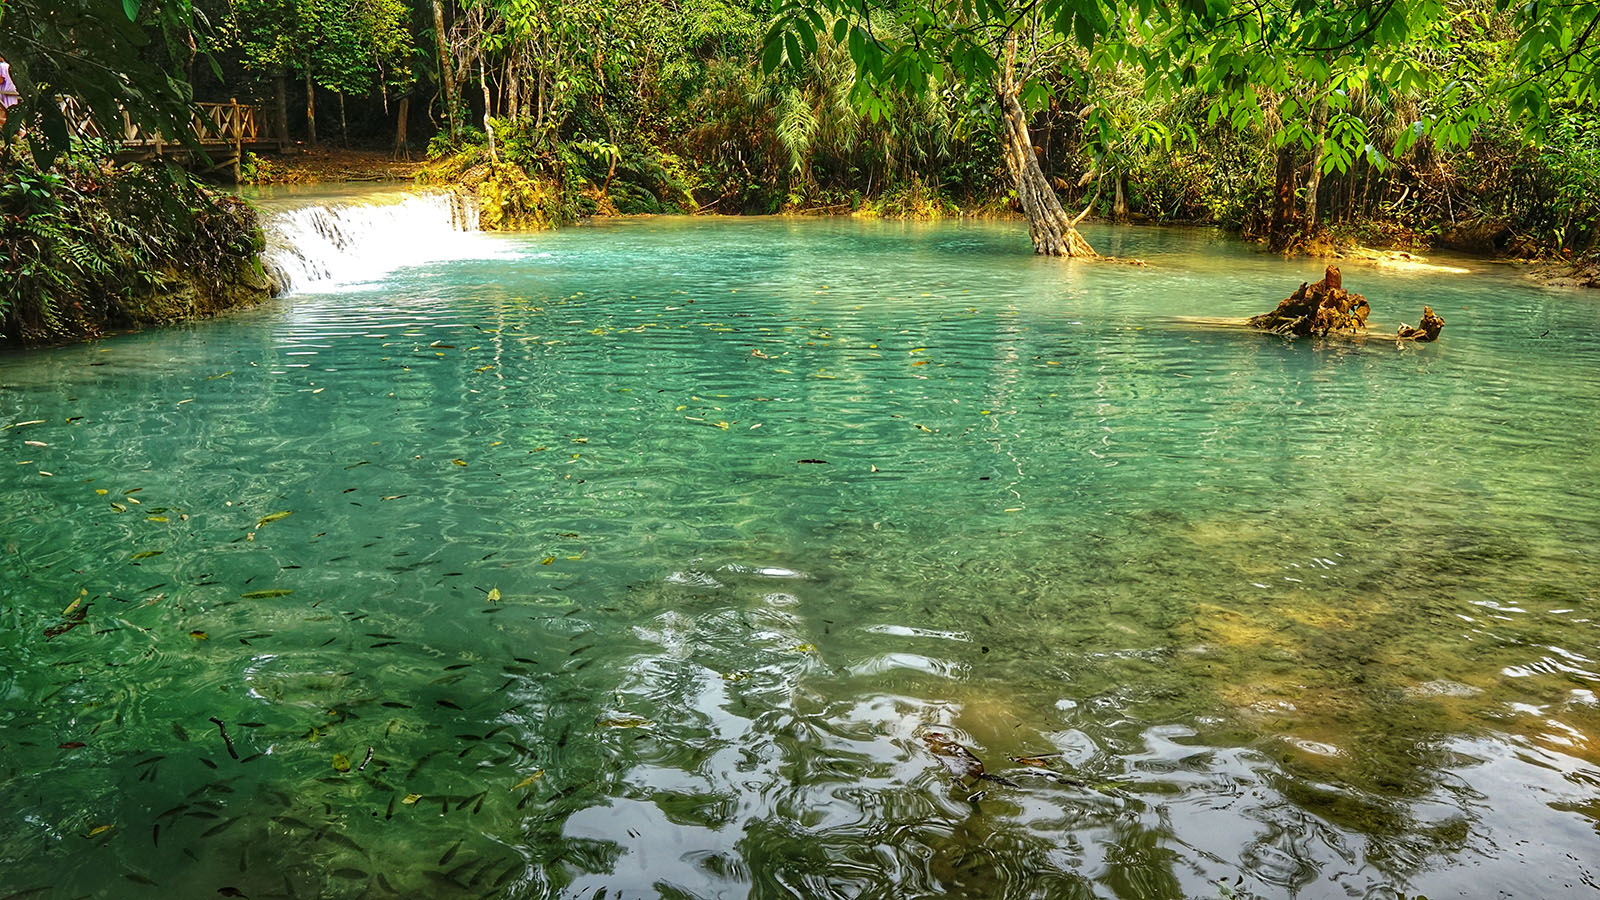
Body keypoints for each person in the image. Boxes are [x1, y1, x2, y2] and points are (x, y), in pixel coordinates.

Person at [0, 57, 19, 129]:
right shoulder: (9, 66)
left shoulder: (1, 66)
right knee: (11, 115)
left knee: (5, 114)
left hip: (5, 93)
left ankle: (19, 131)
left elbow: (1, 80)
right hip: (11, 92)